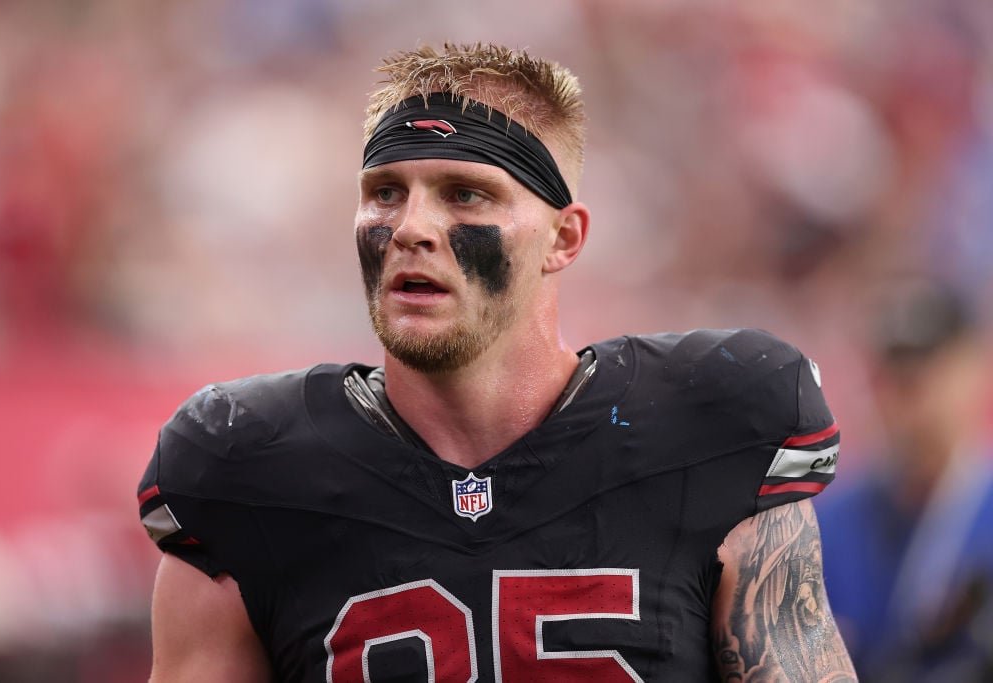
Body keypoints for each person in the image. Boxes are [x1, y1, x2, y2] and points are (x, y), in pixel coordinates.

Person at [138, 43, 856, 681]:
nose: (410, 228)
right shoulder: (245, 468)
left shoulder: (714, 427)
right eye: (386, 192)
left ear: (563, 239)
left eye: (464, 194)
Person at [817, 280, 993, 682]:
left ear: (972, 371)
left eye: (923, 375)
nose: (907, 401)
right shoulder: (833, 523)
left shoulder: (983, 508)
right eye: (891, 379)